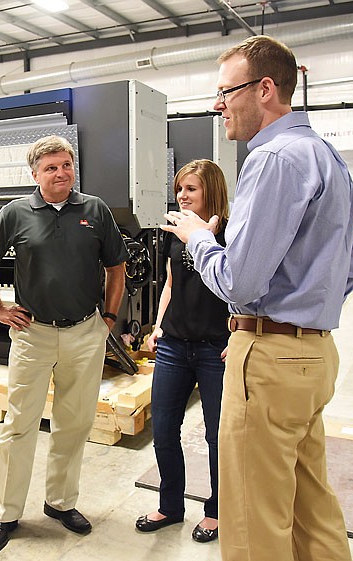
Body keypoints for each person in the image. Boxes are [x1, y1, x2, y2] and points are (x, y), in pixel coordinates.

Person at [162, 35, 353, 561]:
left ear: (265, 88)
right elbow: (350, 268)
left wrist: (197, 237)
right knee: (310, 507)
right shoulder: (328, 157)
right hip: (314, 355)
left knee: (253, 520)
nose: (218, 105)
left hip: (270, 357)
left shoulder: (273, 158)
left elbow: (241, 283)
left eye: (226, 92)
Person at [0, 135, 129, 555]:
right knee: (19, 425)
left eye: (66, 165)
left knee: (73, 424)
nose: (61, 173)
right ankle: (6, 512)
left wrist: (109, 318)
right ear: (35, 174)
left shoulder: (94, 210)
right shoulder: (16, 213)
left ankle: (60, 503)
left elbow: (117, 266)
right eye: (51, 168)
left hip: (84, 334)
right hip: (33, 335)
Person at [135, 160, 230, 543]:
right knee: (164, 429)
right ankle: (170, 506)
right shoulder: (177, 233)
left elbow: (243, 288)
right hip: (174, 344)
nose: (182, 196)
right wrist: (158, 326)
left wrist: (237, 337)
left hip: (214, 349)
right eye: (179, 190)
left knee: (217, 435)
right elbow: (171, 284)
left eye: (191, 189)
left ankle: (218, 510)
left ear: (212, 191)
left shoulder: (233, 233)